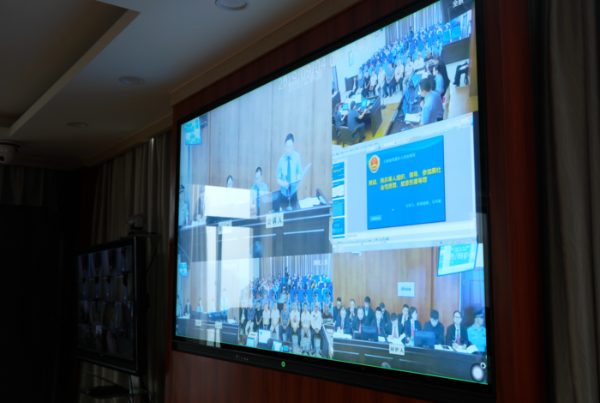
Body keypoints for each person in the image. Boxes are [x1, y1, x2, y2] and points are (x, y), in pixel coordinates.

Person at [276, 133, 303, 210]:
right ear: (284, 146)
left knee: (295, 214)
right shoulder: (281, 161)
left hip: (294, 193)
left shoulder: (297, 157)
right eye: (286, 147)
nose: (288, 149)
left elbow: (299, 172)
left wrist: (298, 179)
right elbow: (278, 179)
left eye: (290, 147)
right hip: (284, 196)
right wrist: (284, 184)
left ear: (293, 146)